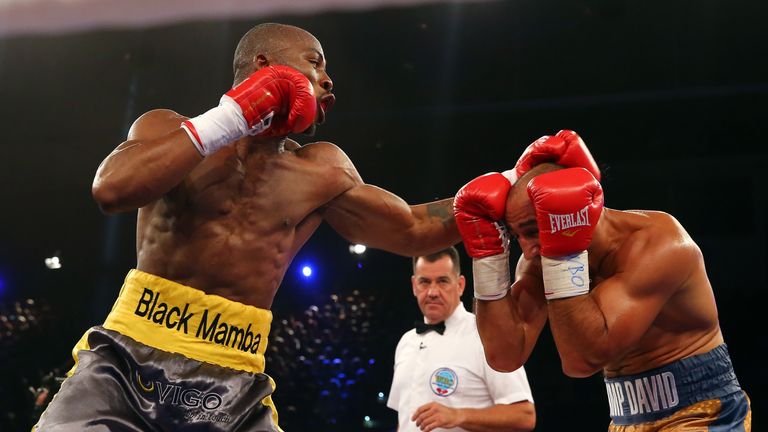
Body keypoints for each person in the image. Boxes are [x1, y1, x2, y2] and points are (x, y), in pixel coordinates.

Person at [34, 23, 462, 431]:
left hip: (233, 375)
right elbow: (111, 190)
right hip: (127, 358)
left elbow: (412, 229)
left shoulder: (321, 170)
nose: (328, 80)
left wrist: (492, 196)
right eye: (315, 63)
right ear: (264, 65)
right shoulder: (165, 128)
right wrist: (231, 118)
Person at [453, 131, 751, 431]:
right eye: (517, 235)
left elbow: (582, 360)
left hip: (702, 412)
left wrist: (562, 252)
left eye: (532, 230)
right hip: (626, 418)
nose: (527, 250)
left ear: (575, 213)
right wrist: (488, 260)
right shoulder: (538, 259)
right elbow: (504, 356)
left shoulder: (658, 244)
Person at [387, 247, 535, 432]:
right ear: (414, 286)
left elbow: (524, 415)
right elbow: (405, 419)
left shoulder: (485, 336)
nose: (432, 292)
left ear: (460, 285)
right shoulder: (406, 342)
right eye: (424, 282)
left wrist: (459, 415)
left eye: (442, 281)